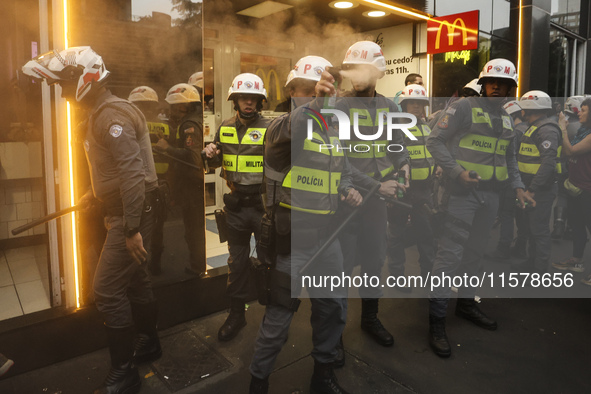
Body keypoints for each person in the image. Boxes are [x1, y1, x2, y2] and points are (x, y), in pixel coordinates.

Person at [23, 47, 162, 394]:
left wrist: (130, 230)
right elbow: (116, 171)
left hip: (133, 212)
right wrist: (95, 195)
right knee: (135, 279)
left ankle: (125, 372)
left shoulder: (109, 116)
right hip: (129, 208)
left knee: (106, 288)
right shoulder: (102, 111)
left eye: (65, 84)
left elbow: (133, 176)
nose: (64, 93)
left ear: (85, 78)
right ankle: (149, 343)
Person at [249, 55, 371, 394]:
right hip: (290, 241)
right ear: (292, 93)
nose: (308, 95)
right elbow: (299, 124)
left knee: (332, 309)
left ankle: (324, 373)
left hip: (328, 237)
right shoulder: (280, 128)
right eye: (302, 90)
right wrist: (317, 103)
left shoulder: (332, 130)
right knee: (278, 320)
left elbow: (342, 170)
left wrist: (348, 189)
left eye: (313, 90)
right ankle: (258, 383)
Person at [425, 58, 534, 358]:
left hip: (492, 197)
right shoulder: (462, 108)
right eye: (492, 82)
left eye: (505, 83)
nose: (497, 87)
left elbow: (509, 160)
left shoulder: (509, 119)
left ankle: (465, 305)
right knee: (450, 255)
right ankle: (436, 321)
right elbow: (434, 142)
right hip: (462, 194)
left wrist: (519, 187)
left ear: (512, 89)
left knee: (475, 252)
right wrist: (456, 171)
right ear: (483, 85)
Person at [333, 41, 410, 347]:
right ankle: (333, 333)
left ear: (378, 72)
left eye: (364, 69)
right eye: (352, 69)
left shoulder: (390, 107)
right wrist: (376, 185)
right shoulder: (339, 108)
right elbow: (338, 160)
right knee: (342, 265)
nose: (357, 75)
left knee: (374, 261)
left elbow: (398, 146)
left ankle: (369, 318)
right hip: (348, 199)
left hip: (377, 202)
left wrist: (403, 166)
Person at [202, 73, 270, 342]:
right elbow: (216, 162)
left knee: (269, 261)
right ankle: (236, 314)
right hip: (237, 208)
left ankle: (274, 316)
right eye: (244, 97)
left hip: (264, 207)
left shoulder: (271, 128)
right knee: (237, 262)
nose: (249, 103)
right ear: (235, 100)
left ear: (260, 101)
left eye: (253, 98)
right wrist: (210, 154)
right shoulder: (225, 127)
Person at [155, 83, 206, 276]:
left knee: (193, 231)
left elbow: (193, 158)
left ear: (182, 106)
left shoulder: (189, 125)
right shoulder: (196, 120)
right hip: (195, 186)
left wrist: (166, 148)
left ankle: (197, 269)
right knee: (196, 229)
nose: (170, 109)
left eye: (173, 105)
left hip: (192, 187)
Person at [387, 83, 435, 285]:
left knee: (426, 234)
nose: (416, 107)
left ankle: (428, 275)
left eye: (420, 103)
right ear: (404, 105)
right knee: (396, 234)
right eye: (412, 103)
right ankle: (397, 277)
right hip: (403, 189)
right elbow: (390, 156)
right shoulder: (396, 128)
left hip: (424, 190)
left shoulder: (425, 126)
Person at [513, 90, 561, 274]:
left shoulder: (547, 129)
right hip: (529, 187)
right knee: (531, 227)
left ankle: (539, 269)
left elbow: (548, 163)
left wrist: (532, 189)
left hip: (539, 189)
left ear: (529, 108)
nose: (521, 112)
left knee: (539, 229)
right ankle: (532, 262)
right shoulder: (535, 126)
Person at [128, 86, 171, 275]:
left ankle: (142, 266)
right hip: (157, 185)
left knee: (143, 228)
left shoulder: (129, 126)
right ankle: (155, 265)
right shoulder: (165, 127)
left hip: (144, 186)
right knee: (157, 227)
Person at [552, 98, 591, 280]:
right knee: (576, 226)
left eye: (583, 110)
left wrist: (562, 127)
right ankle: (576, 261)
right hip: (576, 187)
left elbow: (570, 151)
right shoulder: (583, 131)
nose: (579, 113)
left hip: (588, 189)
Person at [489, 100, 530, 260]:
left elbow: (507, 156)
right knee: (522, 216)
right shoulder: (528, 129)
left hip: (510, 180)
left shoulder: (514, 132)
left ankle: (503, 249)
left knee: (506, 214)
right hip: (524, 179)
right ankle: (520, 247)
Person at [551, 95, 585, 240]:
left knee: (562, 194)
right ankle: (572, 227)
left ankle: (558, 225)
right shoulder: (582, 127)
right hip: (576, 166)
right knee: (575, 196)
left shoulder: (559, 122)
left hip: (560, 165)